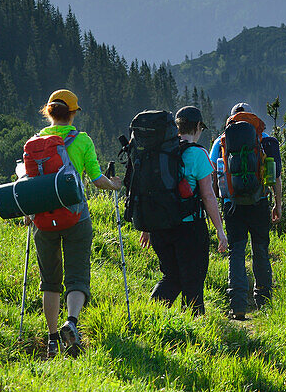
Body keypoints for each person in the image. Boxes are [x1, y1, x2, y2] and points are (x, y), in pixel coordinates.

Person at [30, 89, 122, 359]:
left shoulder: (34, 142)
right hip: (76, 217)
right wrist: (114, 185)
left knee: (50, 280)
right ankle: (71, 322)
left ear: (48, 112)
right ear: (72, 113)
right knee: (77, 274)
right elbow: (96, 179)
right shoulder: (82, 141)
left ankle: (51, 339)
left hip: (44, 220)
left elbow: (30, 183)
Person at [139, 106, 228, 315]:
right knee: (193, 281)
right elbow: (207, 195)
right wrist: (219, 229)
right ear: (197, 127)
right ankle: (194, 330)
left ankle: (150, 317)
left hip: (160, 227)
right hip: (190, 228)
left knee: (171, 277)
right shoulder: (197, 154)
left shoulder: (159, 152)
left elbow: (149, 189)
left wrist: (147, 226)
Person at [210, 102, 282, 319]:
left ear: (232, 118)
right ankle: (264, 303)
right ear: (252, 117)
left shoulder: (220, 141)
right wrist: (278, 204)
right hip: (259, 202)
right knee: (260, 250)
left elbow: (214, 176)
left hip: (232, 205)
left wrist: (216, 208)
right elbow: (275, 176)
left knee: (236, 253)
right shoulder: (267, 140)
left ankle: (238, 306)